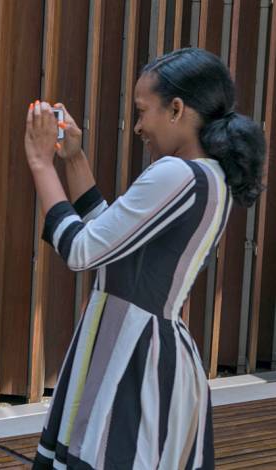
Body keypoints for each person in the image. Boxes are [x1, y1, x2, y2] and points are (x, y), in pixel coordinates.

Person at [24, 47, 264, 469]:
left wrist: (41, 162)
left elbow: (82, 252)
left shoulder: (176, 174)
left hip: (132, 355)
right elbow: (109, 243)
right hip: (146, 349)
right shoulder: (211, 177)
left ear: (176, 109)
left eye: (141, 111)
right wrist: (74, 158)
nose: (137, 126)